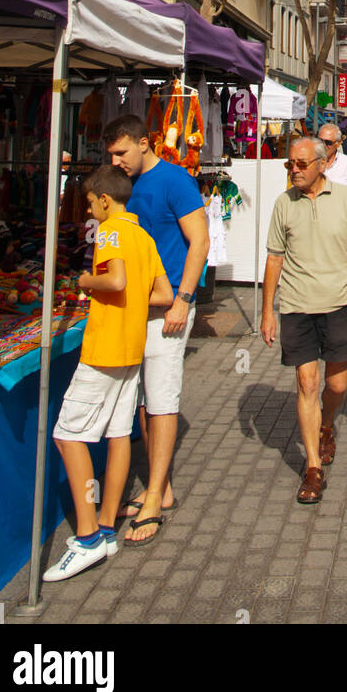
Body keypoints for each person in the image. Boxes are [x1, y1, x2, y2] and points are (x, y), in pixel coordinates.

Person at [44, 167, 173, 580]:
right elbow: (164, 294)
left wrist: (86, 280)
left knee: (68, 435)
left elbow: (114, 280)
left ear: (104, 199)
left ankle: (87, 538)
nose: (85, 208)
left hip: (104, 349)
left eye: (87, 201)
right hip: (131, 348)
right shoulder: (144, 236)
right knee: (118, 436)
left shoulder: (111, 232)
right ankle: (104, 526)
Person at [103, 114, 209, 545]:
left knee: (161, 398)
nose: (115, 160)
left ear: (145, 143)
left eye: (122, 152)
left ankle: (154, 502)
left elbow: (199, 241)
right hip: (132, 305)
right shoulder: (122, 184)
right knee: (145, 401)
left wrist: (184, 300)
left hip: (168, 307)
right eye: (110, 154)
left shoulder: (176, 180)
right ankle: (158, 488)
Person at [262, 136, 347, 503]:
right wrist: (267, 311)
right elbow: (274, 259)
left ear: (322, 164)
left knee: (337, 386)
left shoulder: (344, 200)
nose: (293, 170)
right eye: (289, 164)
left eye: (300, 164)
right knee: (307, 383)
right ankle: (313, 467)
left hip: (339, 302)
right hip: (296, 305)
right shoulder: (283, 204)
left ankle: (327, 424)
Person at [318, 123, 347, 204]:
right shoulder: (309, 163)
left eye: (328, 142)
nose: (323, 145)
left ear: (338, 143)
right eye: (320, 141)